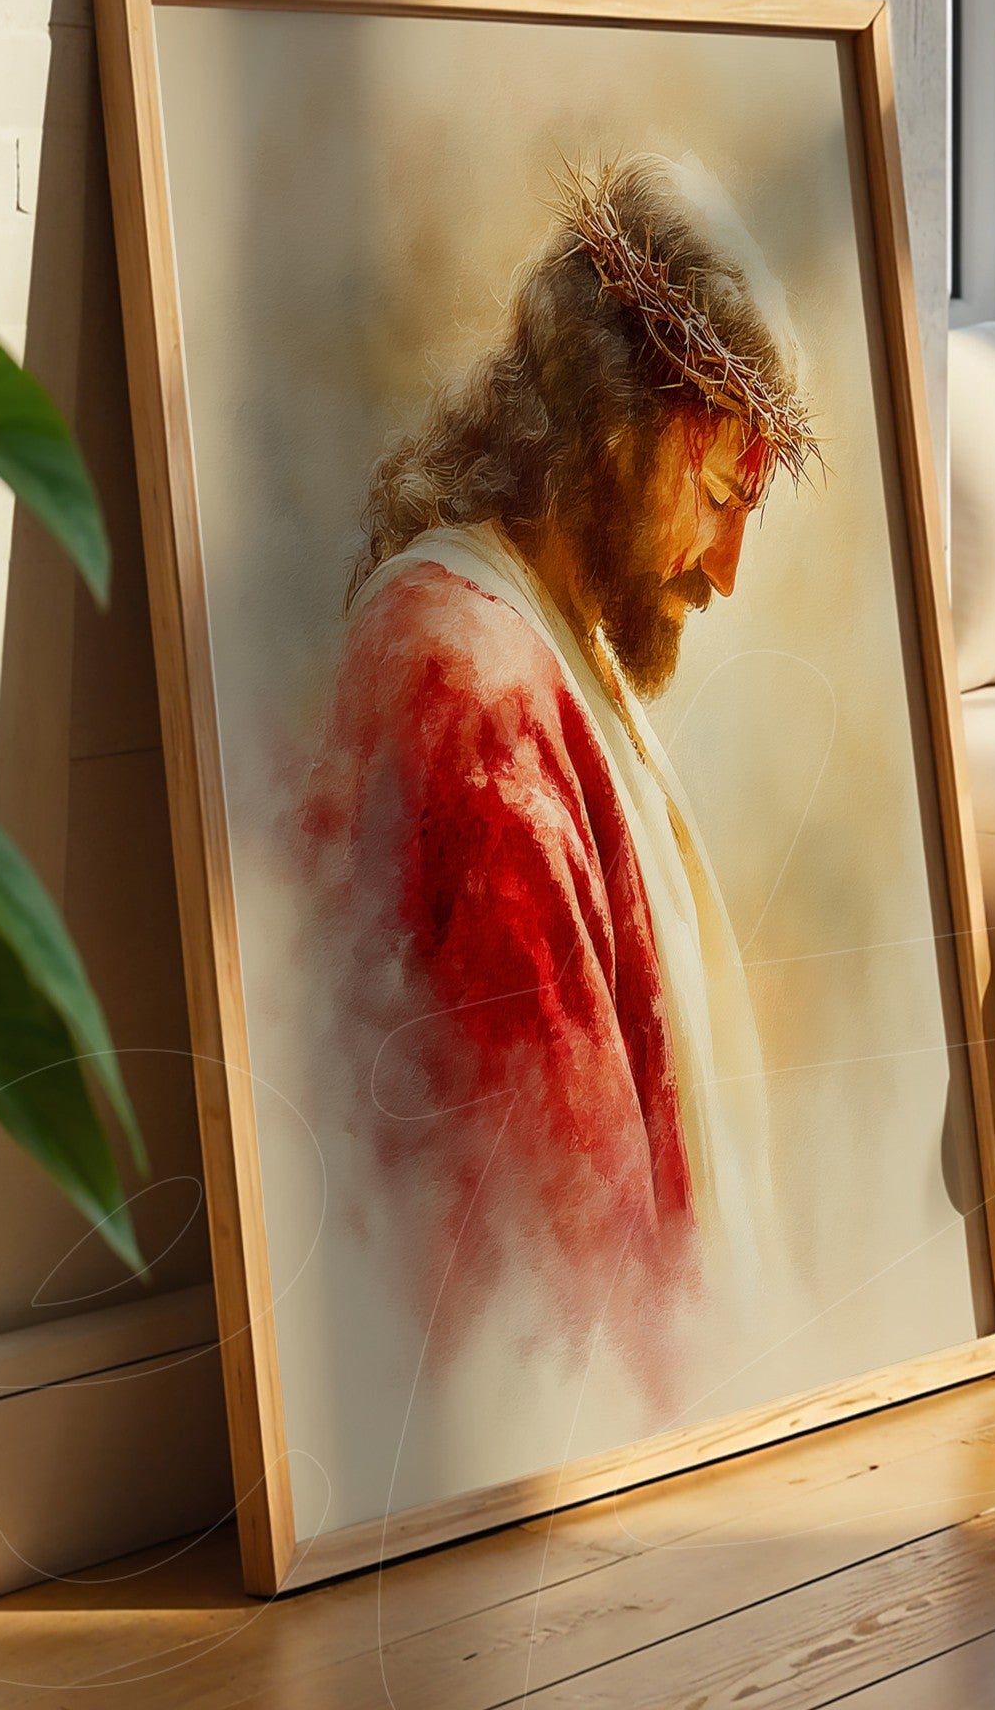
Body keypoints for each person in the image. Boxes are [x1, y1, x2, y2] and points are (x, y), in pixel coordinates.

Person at [301, 152, 822, 1365]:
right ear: (612, 432)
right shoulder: (470, 681)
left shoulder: (542, 629)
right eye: (713, 492)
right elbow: (565, 1250)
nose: (724, 568)